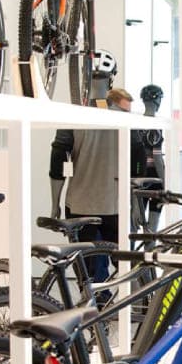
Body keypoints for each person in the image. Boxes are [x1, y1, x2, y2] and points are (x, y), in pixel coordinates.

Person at [49, 88, 134, 249]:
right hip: (114, 206)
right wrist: (137, 206)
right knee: (123, 263)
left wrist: (55, 203)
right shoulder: (126, 125)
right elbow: (139, 165)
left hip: (81, 205)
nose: (126, 114)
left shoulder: (73, 116)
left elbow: (57, 161)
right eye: (124, 110)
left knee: (86, 265)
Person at [137, 84, 166, 232]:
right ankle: (149, 253)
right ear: (157, 101)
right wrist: (165, 182)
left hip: (138, 177)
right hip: (154, 179)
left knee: (135, 223)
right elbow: (157, 159)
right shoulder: (155, 125)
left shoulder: (136, 123)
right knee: (152, 226)